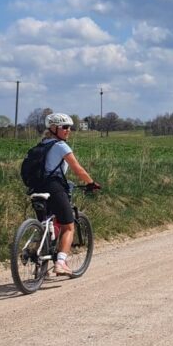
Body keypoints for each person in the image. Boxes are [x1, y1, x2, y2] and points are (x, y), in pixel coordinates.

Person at [37, 113, 100, 276]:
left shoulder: (42, 145)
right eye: (64, 127)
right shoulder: (60, 146)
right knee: (68, 226)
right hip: (55, 188)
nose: (68, 130)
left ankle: (42, 265)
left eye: (69, 127)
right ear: (53, 128)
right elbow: (77, 168)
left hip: (37, 187)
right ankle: (60, 263)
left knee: (47, 224)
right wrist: (91, 183)